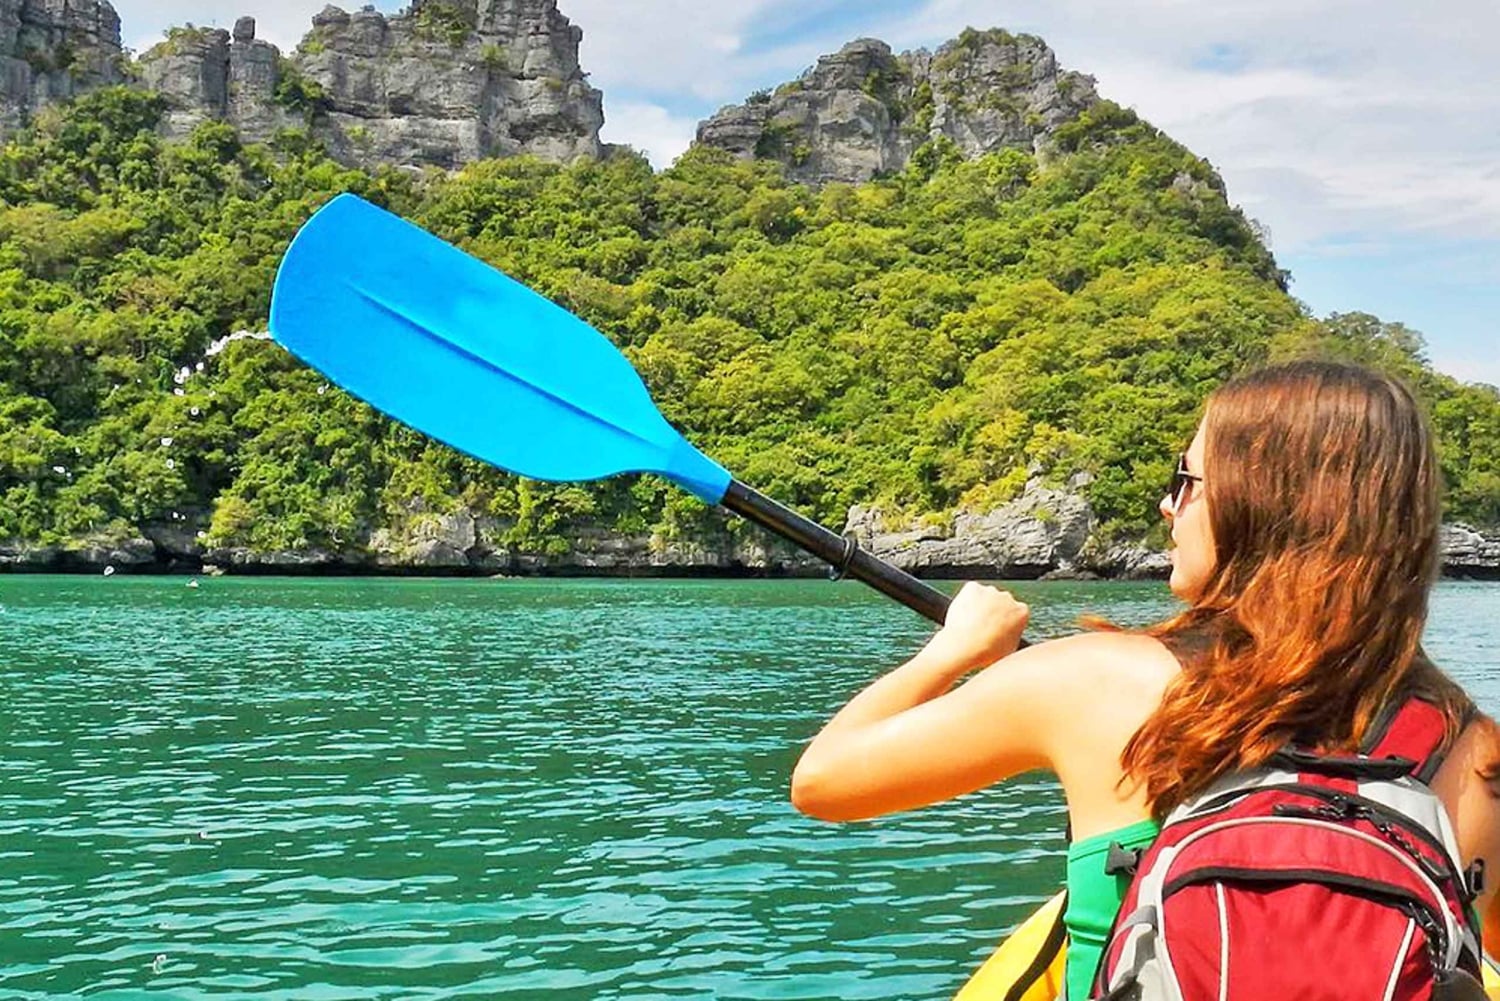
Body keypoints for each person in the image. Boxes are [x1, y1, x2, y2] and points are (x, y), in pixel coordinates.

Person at [790, 360, 1500, 999]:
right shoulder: (1473, 750)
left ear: (1257, 504)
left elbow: (822, 781)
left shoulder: (1089, 680)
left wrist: (953, 649)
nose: (1168, 506)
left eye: (1183, 481)